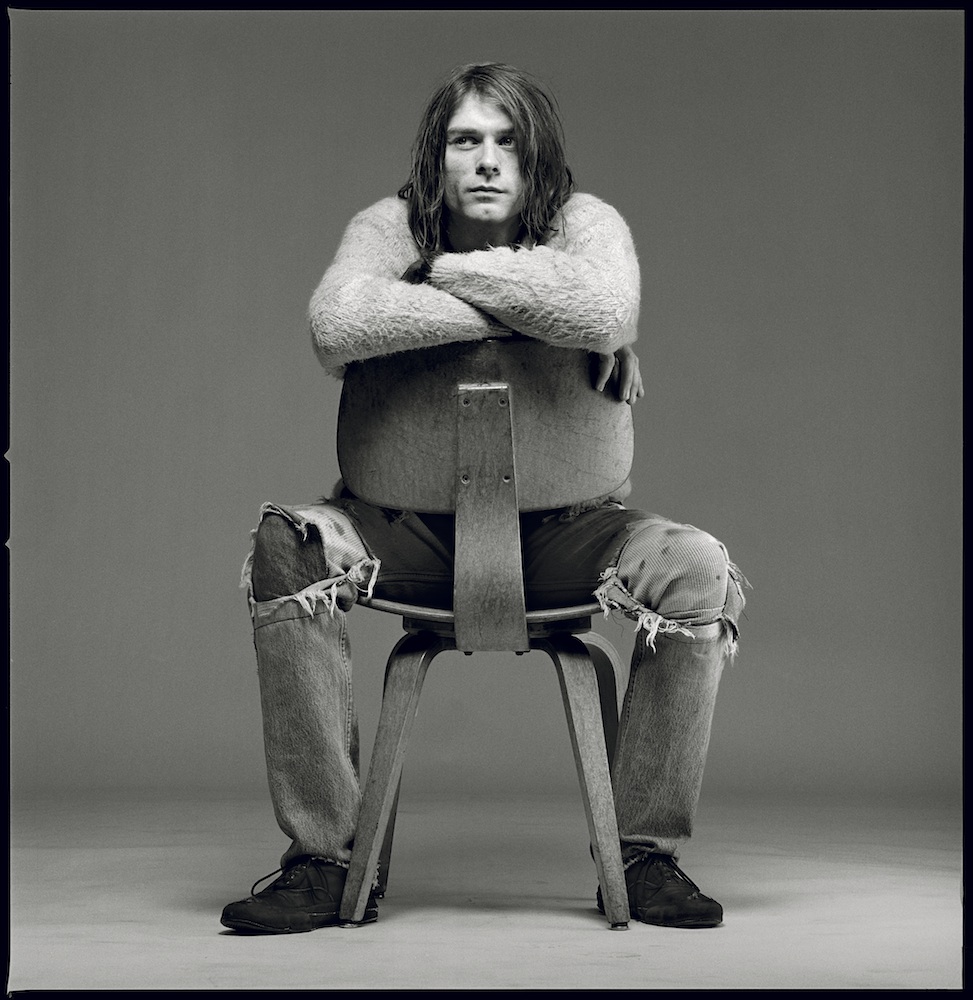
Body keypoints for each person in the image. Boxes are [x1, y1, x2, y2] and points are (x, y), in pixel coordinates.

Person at [221, 63, 746, 935]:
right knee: (286, 544)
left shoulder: (587, 222)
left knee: (696, 567)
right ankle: (323, 860)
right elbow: (336, 325)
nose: (488, 160)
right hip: (398, 535)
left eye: (509, 142)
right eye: (466, 140)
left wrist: (431, 280)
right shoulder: (386, 226)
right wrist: (538, 313)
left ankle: (644, 856)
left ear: (539, 160)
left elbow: (604, 306)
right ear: (436, 158)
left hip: (573, 536)